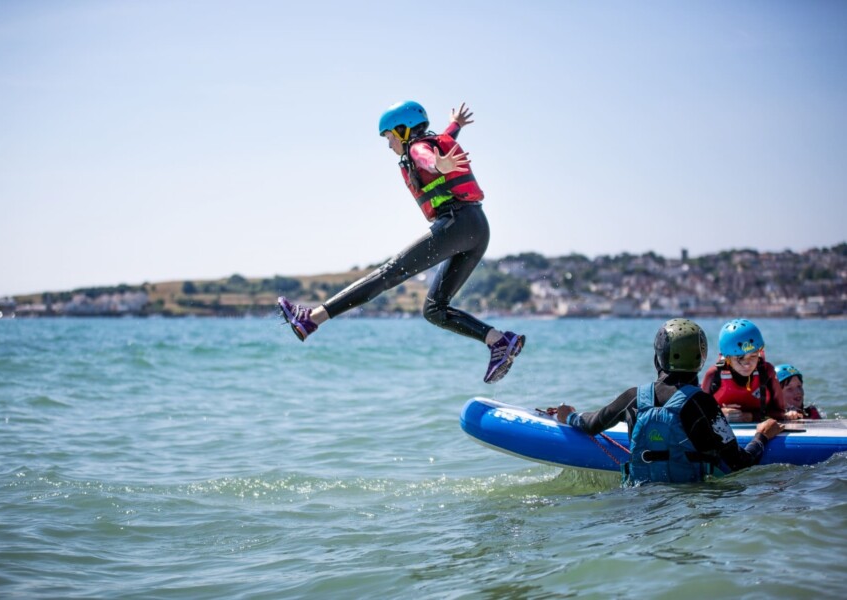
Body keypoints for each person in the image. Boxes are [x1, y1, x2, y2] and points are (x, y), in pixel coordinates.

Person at [277, 101, 524, 383]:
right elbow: (443, 141)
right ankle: (499, 341)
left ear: (403, 131)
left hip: (458, 222)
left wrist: (438, 164)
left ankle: (312, 319)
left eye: (389, 137)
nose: (389, 145)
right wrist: (455, 124)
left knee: (389, 272)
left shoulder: (418, 149)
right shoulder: (430, 142)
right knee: (434, 310)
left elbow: (425, 158)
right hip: (476, 228)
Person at [555, 318, 784, 485]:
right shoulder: (703, 403)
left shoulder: (634, 396)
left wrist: (569, 415)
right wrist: (762, 436)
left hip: (639, 501)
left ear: (658, 356)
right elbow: (739, 463)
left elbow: (592, 424)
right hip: (690, 503)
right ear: (701, 359)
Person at [701, 319, 786, 422]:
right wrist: (720, 414)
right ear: (728, 358)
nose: (747, 364)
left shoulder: (767, 372)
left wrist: (751, 416)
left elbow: (781, 413)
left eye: (753, 356)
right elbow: (700, 414)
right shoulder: (713, 375)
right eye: (740, 358)